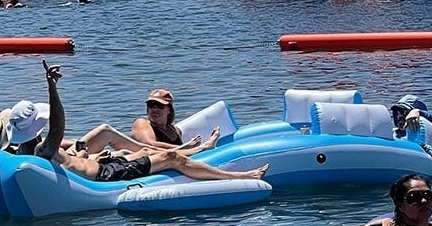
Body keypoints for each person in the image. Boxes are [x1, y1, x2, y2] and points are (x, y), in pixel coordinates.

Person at [30, 60, 268, 183]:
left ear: (169, 110)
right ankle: (240, 177)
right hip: (105, 176)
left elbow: (66, 144)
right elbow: (58, 127)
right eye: (151, 105)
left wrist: (86, 155)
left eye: (159, 106)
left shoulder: (31, 149)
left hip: (104, 167)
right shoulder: (43, 149)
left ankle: (206, 156)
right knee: (171, 157)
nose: (153, 109)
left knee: (128, 151)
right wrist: (52, 88)